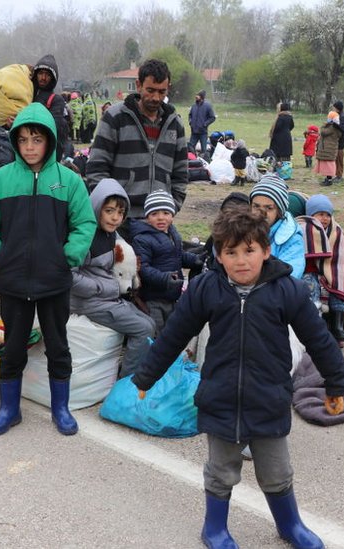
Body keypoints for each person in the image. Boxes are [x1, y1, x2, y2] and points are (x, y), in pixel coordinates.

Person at [131, 208, 344, 549]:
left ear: (266, 251)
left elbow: (318, 338)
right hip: (220, 397)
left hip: (269, 397)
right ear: (218, 255)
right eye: (231, 252)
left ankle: (289, 524)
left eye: (249, 250)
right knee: (221, 471)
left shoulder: (288, 290)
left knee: (276, 473)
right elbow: (174, 334)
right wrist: (145, 377)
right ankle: (214, 528)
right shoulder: (206, 288)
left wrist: (336, 384)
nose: (241, 260)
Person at [0, 103, 96, 436]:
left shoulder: (68, 181)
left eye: (37, 139)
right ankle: (9, 409)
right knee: (12, 347)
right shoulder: (1, 180)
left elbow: (85, 222)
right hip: (13, 281)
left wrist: (67, 256)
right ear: (15, 140)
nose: (29, 146)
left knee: (58, 345)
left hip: (54, 281)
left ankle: (61, 409)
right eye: (24, 139)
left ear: (50, 141)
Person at [86, 59, 188, 228]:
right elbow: (97, 167)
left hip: (159, 222)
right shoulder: (115, 118)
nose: (156, 97)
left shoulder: (175, 124)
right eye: (150, 90)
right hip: (121, 222)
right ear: (138, 85)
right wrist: (111, 210)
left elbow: (181, 173)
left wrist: (171, 208)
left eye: (161, 92)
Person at [71, 178, 156, 378]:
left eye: (120, 212)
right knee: (143, 329)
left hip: (105, 298)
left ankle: (131, 372)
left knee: (150, 323)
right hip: (87, 301)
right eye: (109, 211)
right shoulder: (85, 237)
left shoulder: (110, 235)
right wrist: (100, 288)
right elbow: (68, 275)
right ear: (96, 207)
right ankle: (128, 382)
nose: (115, 218)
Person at [298, 194, 344, 348]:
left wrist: (333, 275)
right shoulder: (304, 228)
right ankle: (315, 327)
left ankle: (338, 328)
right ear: (311, 214)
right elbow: (301, 256)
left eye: (328, 215)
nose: (325, 218)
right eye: (320, 214)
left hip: (331, 272)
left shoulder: (336, 231)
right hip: (309, 271)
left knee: (339, 288)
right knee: (310, 287)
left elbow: (343, 257)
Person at [130, 190, 201, 334]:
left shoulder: (172, 233)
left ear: (172, 215)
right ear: (147, 217)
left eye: (165, 213)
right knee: (156, 332)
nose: (160, 218)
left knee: (171, 331)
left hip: (172, 295)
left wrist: (195, 260)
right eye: (154, 214)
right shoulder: (142, 239)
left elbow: (177, 256)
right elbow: (143, 268)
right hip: (153, 298)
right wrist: (164, 278)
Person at [249, 174, 304, 279]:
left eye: (269, 208)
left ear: (279, 211)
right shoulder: (240, 229)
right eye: (256, 206)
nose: (261, 213)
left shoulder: (291, 239)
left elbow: (290, 277)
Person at [30, 54, 71, 160]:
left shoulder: (56, 100)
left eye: (47, 75)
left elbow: (52, 128)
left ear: (53, 78)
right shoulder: (28, 96)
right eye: (40, 73)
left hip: (47, 155)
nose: (43, 78)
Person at [314, 111, 341, 186]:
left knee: (329, 165)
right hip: (329, 149)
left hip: (328, 149)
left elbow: (323, 132)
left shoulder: (332, 127)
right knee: (328, 164)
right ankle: (328, 178)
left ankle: (329, 180)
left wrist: (324, 125)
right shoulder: (335, 127)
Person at [188, 89, 216, 158]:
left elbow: (212, 117)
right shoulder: (194, 106)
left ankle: (205, 164)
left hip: (203, 132)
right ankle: (193, 161)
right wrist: (190, 122)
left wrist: (205, 124)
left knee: (204, 151)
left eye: (197, 95)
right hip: (194, 132)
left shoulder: (208, 106)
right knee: (190, 148)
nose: (196, 96)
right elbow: (190, 115)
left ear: (201, 97)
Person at [332, 100, 344, 181]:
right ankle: (337, 175)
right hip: (336, 141)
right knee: (336, 159)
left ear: (338, 108)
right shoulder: (337, 116)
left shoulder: (342, 117)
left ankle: (339, 176)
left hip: (341, 142)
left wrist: (335, 124)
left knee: (339, 159)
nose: (333, 109)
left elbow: (343, 129)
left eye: (334, 107)